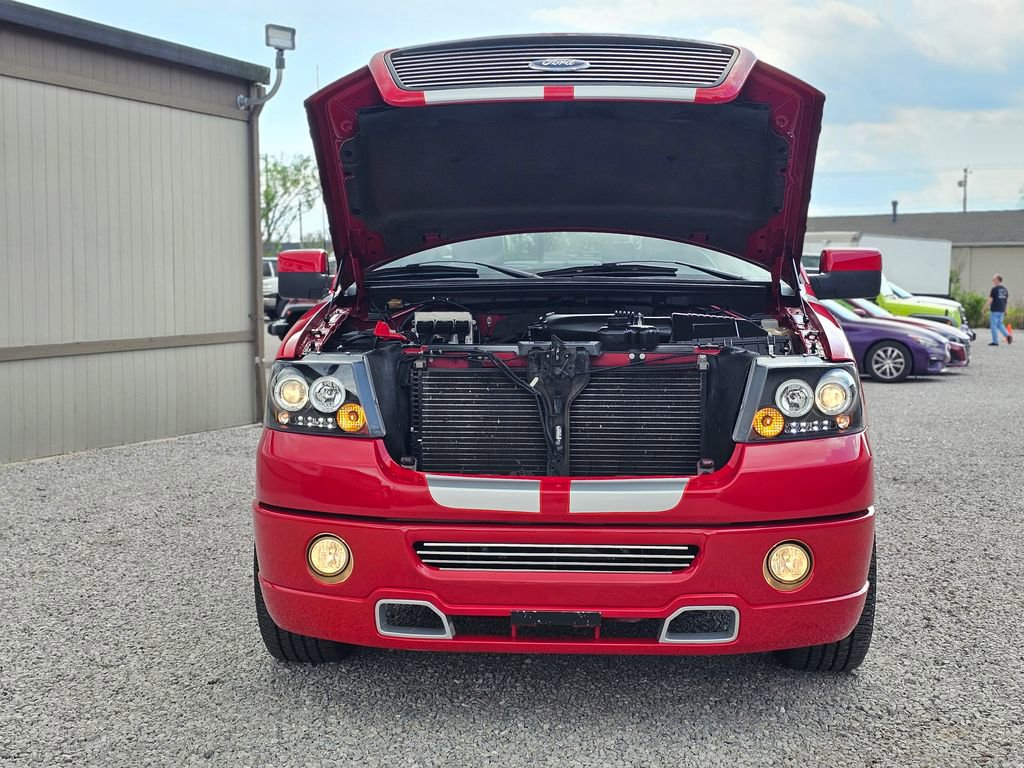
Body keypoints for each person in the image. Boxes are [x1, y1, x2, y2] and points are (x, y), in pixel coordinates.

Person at [986, 274, 1012, 346]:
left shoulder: (994, 289)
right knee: (999, 324)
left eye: (994, 279)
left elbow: (990, 299)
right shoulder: (1005, 289)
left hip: (995, 309)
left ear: (997, 280)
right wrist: (1006, 310)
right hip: (1002, 309)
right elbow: (1005, 300)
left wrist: (984, 308)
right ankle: (1008, 335)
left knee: (993, 325)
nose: (993, 281)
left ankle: (995, 341)